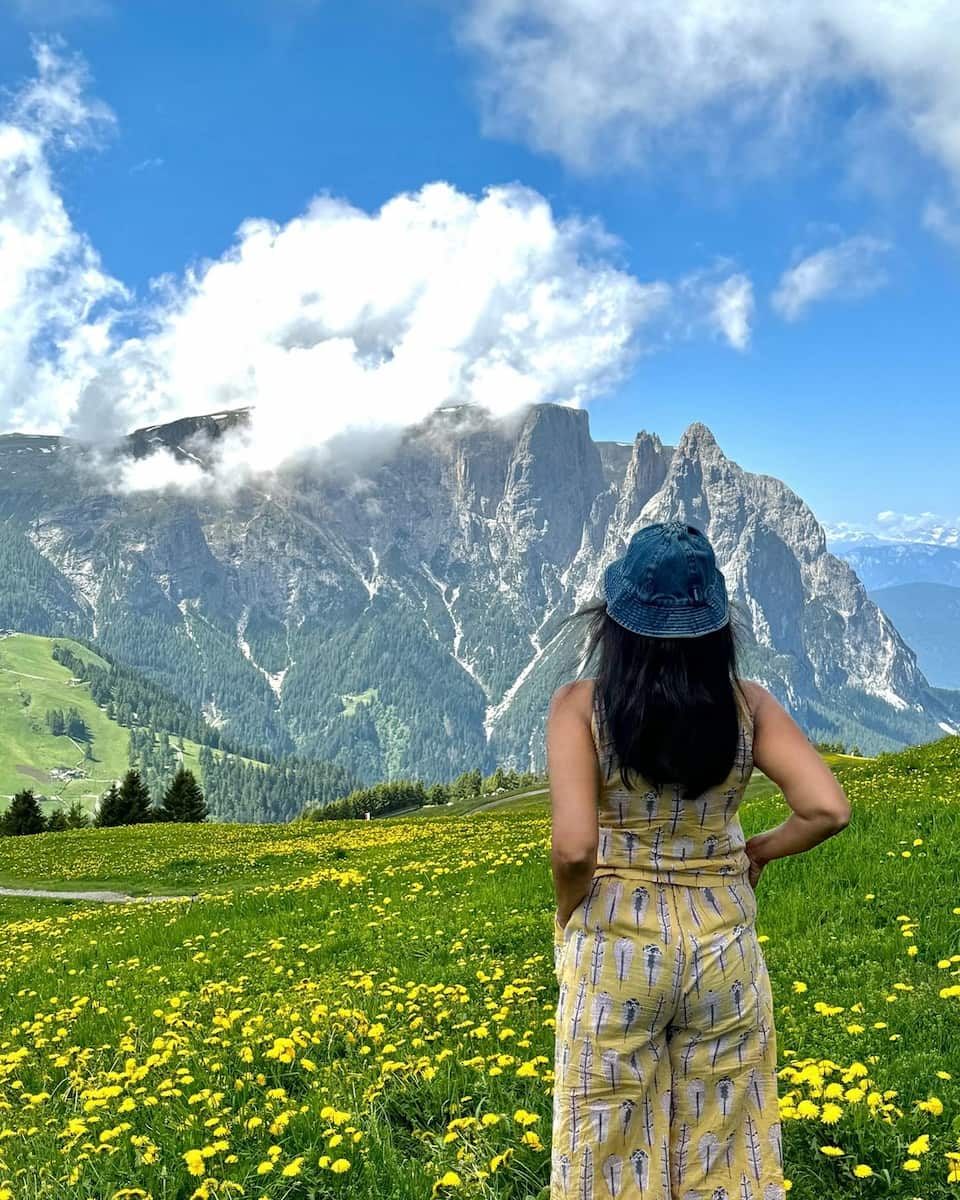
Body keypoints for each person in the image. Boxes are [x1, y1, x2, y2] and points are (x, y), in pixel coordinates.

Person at [546, 519, 850, 1200]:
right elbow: (828, 808)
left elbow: (573, 848)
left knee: (607, 1141)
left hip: (616, 948)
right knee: (725, 1143)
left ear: (616, 619)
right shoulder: (751, 708)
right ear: (716, 622)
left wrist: (571, 913)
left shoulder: (579, 708)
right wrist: (758, 851)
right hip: (722, 951)